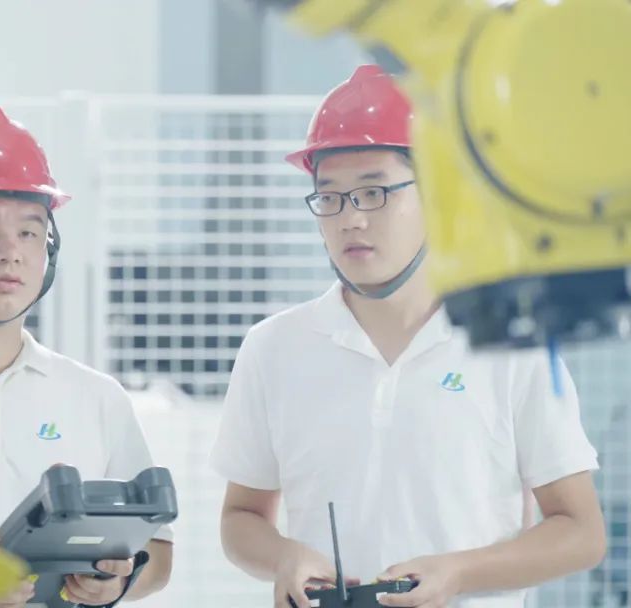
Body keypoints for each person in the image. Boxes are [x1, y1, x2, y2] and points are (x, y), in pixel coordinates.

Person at [211, 65, 606, 608]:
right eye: (330, 197)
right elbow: (241, 518)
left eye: (374, 192)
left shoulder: (513, 345)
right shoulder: (273, 348)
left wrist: (460, 573)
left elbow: (580, 532)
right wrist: (283, 557)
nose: (350, 219)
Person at [0, 106, 173, 607]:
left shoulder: (95, 398)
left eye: (29, 232)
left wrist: (115, 581)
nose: (10, 251)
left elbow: (156, 552)